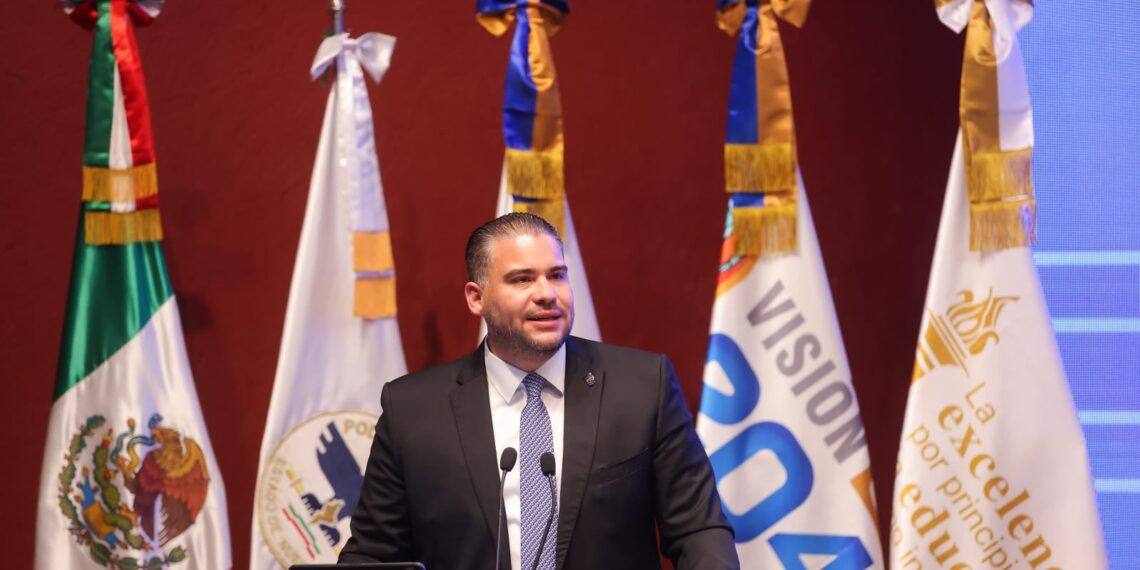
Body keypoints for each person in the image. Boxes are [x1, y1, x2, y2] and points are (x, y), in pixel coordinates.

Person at [339, 213, 738, 569]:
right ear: (476, 298)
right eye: (522, 279)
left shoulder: (641, 386)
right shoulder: (413, 409)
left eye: (557, 275)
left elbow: (698, 530)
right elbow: (375, 554)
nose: (547, 293)